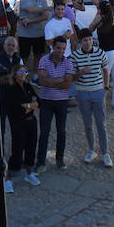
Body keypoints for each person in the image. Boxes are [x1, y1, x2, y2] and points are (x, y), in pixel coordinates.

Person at [70, 29, 113, 167]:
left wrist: (106, 87)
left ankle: (105, 153)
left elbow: (106, 70)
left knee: (101, 124)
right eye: (85, 40)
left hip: (98, 92)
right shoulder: (75, 56)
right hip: (82, 93)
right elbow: (71, 77)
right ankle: (91, 150)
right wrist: (81, 72)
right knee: (87, 124)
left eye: (89, 39)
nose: (88, 42)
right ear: (80, 42)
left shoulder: (100, 53)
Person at [35, 35, 76, 171]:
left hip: (62, 102)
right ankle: (40, 162)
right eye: (58, 48)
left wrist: (51, 81)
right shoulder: (44, 60)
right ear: (53, 47)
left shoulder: (68, 62)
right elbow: (42, 81)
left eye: (63, 48)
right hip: (46, 101)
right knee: (44, 133)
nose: (61, 51)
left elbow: (68, 84)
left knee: (61, 132)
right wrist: (59, 80)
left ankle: (60, 159)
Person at [0, 66, 40, 192]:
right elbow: (15, 108)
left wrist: (28, 106)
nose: (24, 74)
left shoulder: (28, 86)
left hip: (31, 122)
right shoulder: (10, 89)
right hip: (18, 123)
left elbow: (38, 101)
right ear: (15, 74)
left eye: (26, 72)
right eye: (21, 72)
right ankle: (8, 179)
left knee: (31, 147)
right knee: (17, 149)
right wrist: (30, 105)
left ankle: (29, 173)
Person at [16, 0, 52, 66]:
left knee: (38, 55)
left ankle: (35, 75)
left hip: (38, 33)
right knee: (24, 57)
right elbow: (31, 10)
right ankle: (24, 75)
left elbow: (46, 16)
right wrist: (47, 8)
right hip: (25, 34)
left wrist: (30, 21)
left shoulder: (43, 0)